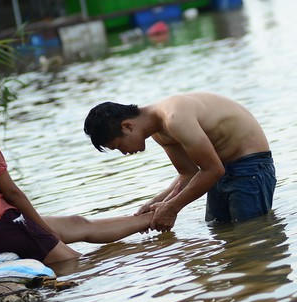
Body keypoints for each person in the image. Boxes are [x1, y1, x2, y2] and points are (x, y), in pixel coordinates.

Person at [0, 62, 152, 264]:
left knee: (77, 224)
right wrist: (43, 231)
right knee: (81, 264)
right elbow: (12, 192)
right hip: (1, 227)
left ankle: (150, 220)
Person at [83, 93, 275, 231]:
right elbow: (188, 174)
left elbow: (212, 170)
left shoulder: (174, 118)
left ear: (127, 126)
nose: (124, 152)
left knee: (251, 234)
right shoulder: (159, 132)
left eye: (119, 146)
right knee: (219, 230)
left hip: (250, 166)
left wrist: (172, 208)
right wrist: (155, 205)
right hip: (221, 170)